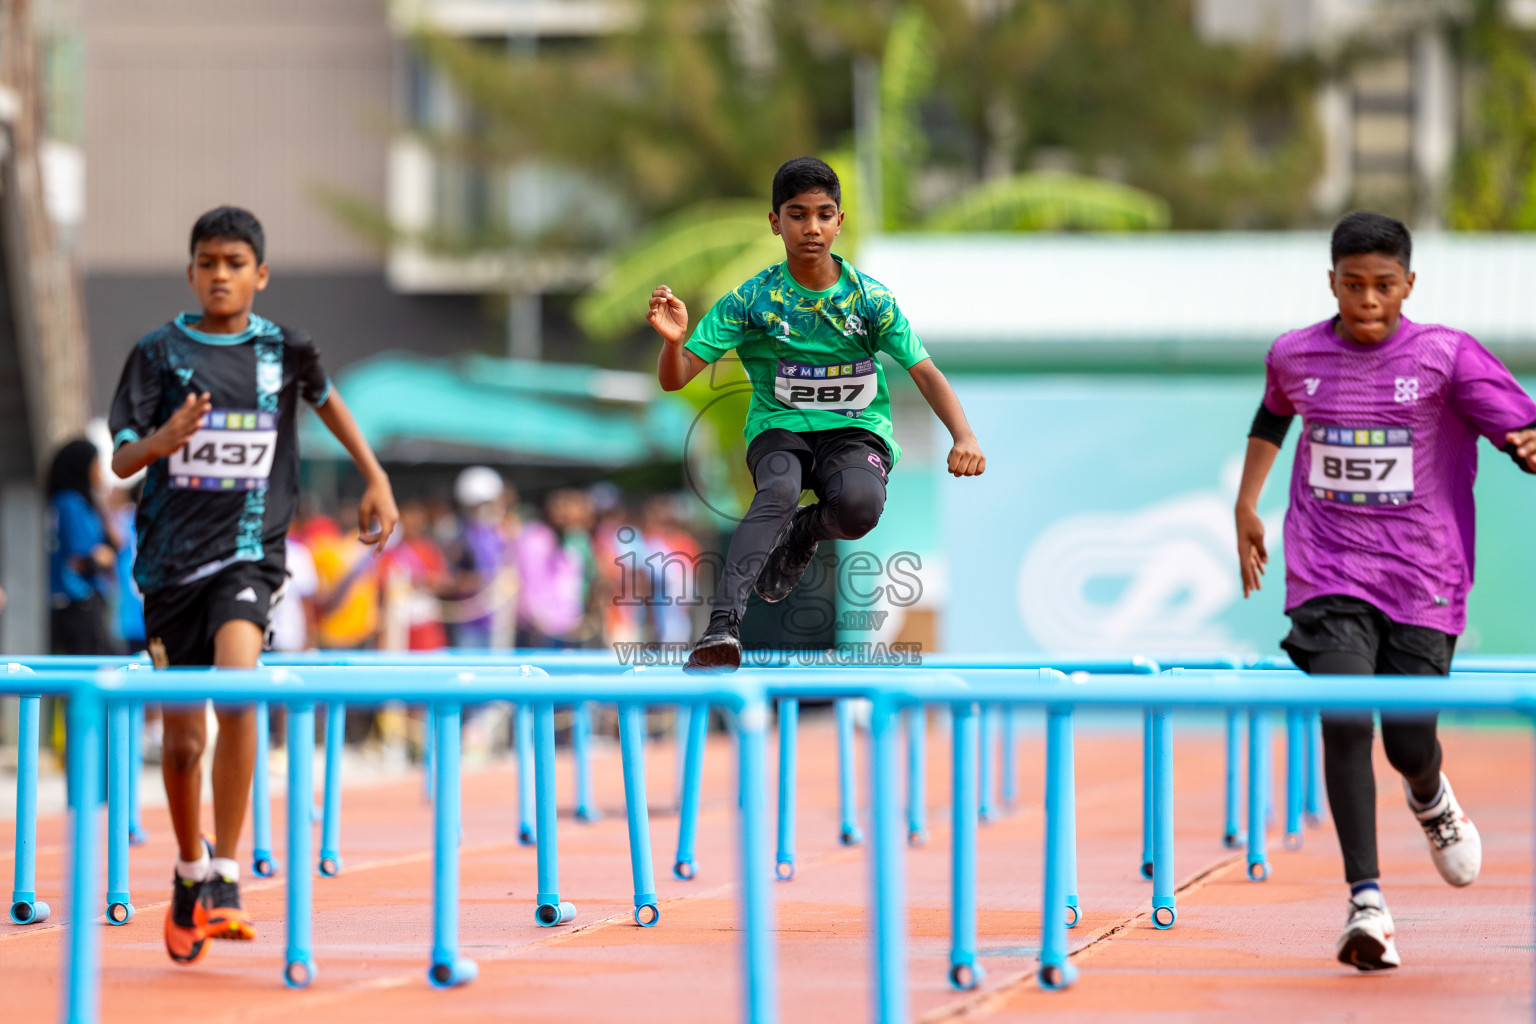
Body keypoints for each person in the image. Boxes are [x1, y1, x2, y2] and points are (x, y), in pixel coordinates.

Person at [1235, 211, 1536, 972]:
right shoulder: (1295, 353)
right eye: (1352, 285)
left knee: (1406, 741)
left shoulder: (1446, 356)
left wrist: (1530, 448)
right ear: (1331, 283)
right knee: (1342, 717)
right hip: (1328, 569)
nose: (1367, 301)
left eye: (1383, 286)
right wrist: (1247, 501)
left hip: (1423, 575)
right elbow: (1274, 412)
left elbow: (1520, 430)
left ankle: (1431, 796)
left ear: (1409, 286)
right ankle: (1365, 902)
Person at [108, 206, 398, 967]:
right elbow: (120, 461)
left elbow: (331, 404)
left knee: (239, 689)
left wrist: (375, 478)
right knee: (180, 743)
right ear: (191, 272)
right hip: (171, 564)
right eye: (208, 262)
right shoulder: (157, 354)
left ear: (260, 275)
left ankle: (228, 876)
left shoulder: (285, 350)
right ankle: (188, 872)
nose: (221, 274)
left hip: (249, 554)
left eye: (236, 262)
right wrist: (163, 441)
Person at [646, 156, 986, 671]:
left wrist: (964, 435)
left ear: (839, 221)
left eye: (824, 215)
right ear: (775, 221)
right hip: (779, 430)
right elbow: (676, 378)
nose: (812, 228)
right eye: (798, 214)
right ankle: (721, 629)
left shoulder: (871, 300)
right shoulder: (751, 300)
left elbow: (925, 372)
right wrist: (674, 343)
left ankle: (804, 532)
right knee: (777, 492)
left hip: (855, 432)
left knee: (860, 508)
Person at [47, 439, 121, 656]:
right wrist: (104, 556)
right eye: (96, 464)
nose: (100, 471)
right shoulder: (70, 502)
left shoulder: (79, 501)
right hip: (78, 601)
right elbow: (81, 560)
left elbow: (112, 544)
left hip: (82, 602)